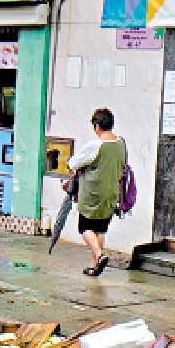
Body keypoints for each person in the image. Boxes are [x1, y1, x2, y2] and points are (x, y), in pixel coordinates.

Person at [65, 108, 125, 275]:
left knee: (84, 226)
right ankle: (94, 266)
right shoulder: (120, 144)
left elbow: (73, 163)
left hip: (92, 193)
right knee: (100, 229)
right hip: (111, 192)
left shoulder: (95, 145)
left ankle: (99, 256)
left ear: (97, 126)